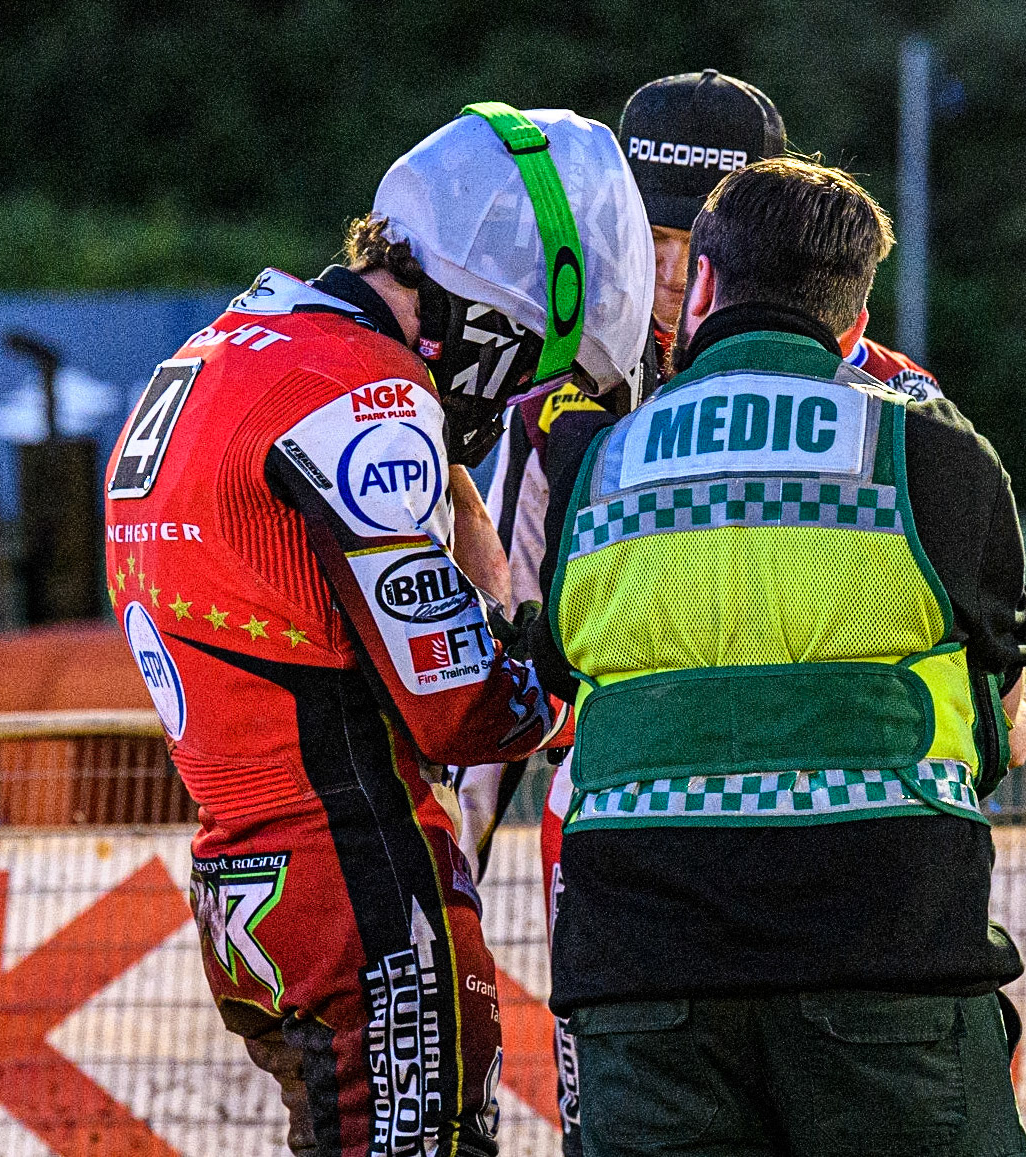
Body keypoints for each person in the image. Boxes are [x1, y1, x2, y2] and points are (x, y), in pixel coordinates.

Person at [104, 103, 652, 1157]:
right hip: (364, 887)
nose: (520, 401)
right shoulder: (365, 389)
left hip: (247, 879)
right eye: (537, 368)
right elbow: (463, 708)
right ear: (496, 318)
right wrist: (554, 651)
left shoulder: (221, 349)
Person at [539, 155, 1026, 1157]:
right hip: (885, 957)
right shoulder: (932, 451)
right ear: (855, 316)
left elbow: (555, 673)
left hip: (643, 975)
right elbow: (1002, 716)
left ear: (702, 286)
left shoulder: (597, 465)